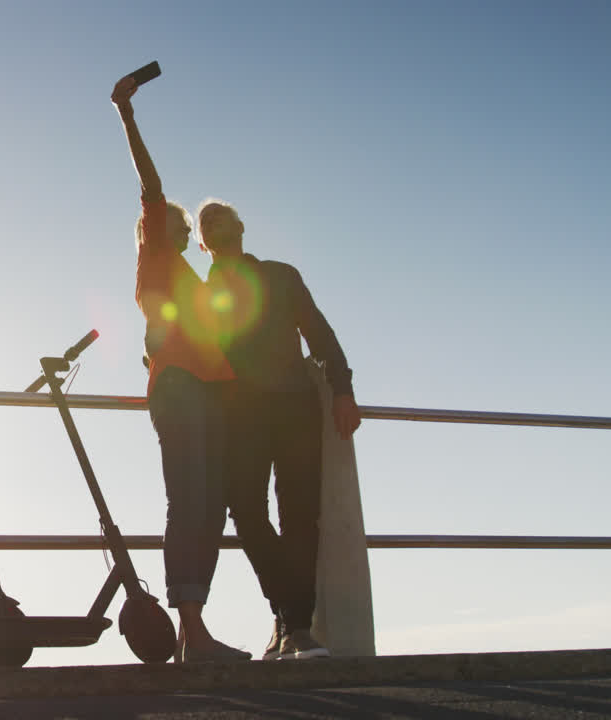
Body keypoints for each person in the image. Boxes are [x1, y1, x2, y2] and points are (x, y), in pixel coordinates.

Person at [111, 74, 250, 663]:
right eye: (177, 221)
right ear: (154, 226)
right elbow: (151, 183)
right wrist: (127, 114)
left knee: (210, 504)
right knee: (189, 502)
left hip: (207, 391)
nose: (184, 229)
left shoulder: (184, 276)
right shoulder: (157, 255)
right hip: (183, 392)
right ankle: (191, 631)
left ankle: (198, 633)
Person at [198, 199, 362, 660]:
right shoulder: (200, 295)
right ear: (203, 242)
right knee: (247, 512)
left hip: (295, 408)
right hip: (240, 417)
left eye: (220, 214)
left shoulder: (280, 275)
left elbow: (320, 335)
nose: (212, 220)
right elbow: (187, 349)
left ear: (241, 227)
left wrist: (343, 390)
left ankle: (296, 628)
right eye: (205, 221)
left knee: (298, 516)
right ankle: (290, 616)